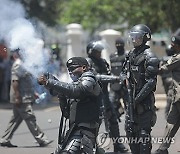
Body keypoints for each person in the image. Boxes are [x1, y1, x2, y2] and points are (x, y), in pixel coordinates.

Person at [38, 57, 102, 154]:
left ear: (84, 67)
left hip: (85, 130)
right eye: (69, 70)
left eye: (73, 68)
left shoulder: (89, 78)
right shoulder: (75, 83)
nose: (70, 72)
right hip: (74, 128)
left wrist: (50, 82)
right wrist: (51, 84)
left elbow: (77, 91)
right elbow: (66, 111)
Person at [0, 50, 52, 147]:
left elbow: (26, 81)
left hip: (25, 96)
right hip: (21, 98)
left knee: (16, 119)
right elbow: (15, 81)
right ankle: (41, 139)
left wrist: (33, 93)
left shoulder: (25, 64)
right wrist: (17, 97)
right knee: (30, 117)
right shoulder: (18, 64)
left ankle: (5, 139)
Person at [86, 41, 128, 153]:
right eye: (97, 51)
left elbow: (108, 74)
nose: (99, 53)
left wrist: (119, 77)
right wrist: (116, 78)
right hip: (94, 97)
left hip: (105, 95)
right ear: (91, 52)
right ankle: (92, 147)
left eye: (100, 51)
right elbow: (96, 77)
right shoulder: (88, 63)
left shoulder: (103, 62)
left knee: (113, 120)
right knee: (95, 124)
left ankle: (118, 145)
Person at [123, 24, 159, 154]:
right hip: (131, 101)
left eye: (137, 37)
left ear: (145, 38)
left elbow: (151, 82)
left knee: (143, 135)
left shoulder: (150, 56)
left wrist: (136, 99)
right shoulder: (130, 54)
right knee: (130, 131)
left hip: (144, 102)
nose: (134, 40)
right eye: (132, 37)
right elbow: (124, 73)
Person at [155, 35, 180, 154]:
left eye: (174, 44)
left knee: (171, 122)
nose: (172, 45)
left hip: (179, 97)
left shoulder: (177, 58)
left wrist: (149, 68)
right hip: (177, 97)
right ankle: (163, 149)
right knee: (171, 122)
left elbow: (162, 69)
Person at [109, 37, 128, 120]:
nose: (119, 46)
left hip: (125, 85)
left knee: (128, 105)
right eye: (117, 44)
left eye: (120, 44)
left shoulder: (127, 56)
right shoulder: (112, 56)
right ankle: (120, 111)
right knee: (111, 103)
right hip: (114, 84)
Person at [159, 45, 175, 118]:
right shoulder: (175, 58)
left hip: (165, 80)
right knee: (171, 97)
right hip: (173, 80)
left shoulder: (163, 59)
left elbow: (160, 69)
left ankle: (168, 113)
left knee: (168, 96)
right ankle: (169, 114)